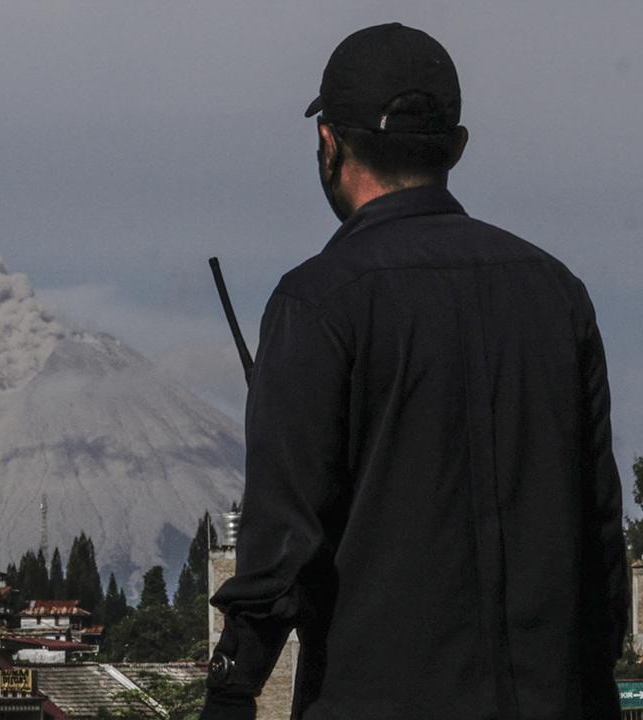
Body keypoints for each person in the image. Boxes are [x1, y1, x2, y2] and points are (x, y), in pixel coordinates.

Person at [201, 23, 628, 720]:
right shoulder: (557, 292)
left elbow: (281, 540)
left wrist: (231, 689)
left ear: (328, 143)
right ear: (457, 146)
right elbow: (600, 532)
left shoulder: (317, 303)